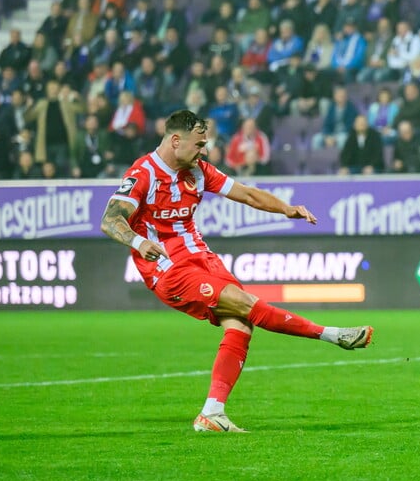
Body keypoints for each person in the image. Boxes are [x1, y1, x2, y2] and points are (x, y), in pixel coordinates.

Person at [100, 110, 373, 433]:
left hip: (203, 259)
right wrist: (138, 241)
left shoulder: (198, 170)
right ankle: (331, 334)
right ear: (176, 140)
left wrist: (286, 208)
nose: (204, 151)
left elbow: (245, 193)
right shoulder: (143, 173)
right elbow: (110, 220)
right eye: (199, 144)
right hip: (168, 267)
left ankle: (212, 413)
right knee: (245, 304)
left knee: (241, 323)